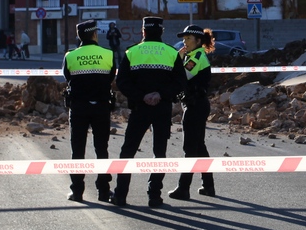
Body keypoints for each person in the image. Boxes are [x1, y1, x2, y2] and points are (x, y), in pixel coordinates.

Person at [113, 16, 184, 208]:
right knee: (159, 152)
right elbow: (180, 81)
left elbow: (122, 82)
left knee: (128, 151)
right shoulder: (171, 52)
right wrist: (160, 94)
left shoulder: (132, 51)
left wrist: (142, 96)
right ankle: (154, 196)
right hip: (162, 108)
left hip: (139, 108)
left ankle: (120, 195)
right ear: (161, 31)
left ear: (143, 32)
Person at [62, 20, 117, 203]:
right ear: (94, 34)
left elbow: (68, 77)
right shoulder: (108, 54)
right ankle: (103, 191)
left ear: (79, 36)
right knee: (102, 149)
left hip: (78, 107)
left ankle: (77, 191)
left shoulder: (70, 56)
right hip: (101, 106)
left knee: (77, 150)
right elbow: (110, 77)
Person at [168, 24, 216, 201]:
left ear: (198, 41)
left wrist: (177, 59)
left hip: (196, 106)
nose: (184, 41)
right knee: (199, 146)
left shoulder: (196, 56)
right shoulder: (191, 55)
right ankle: (208, 185)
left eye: (188, 38)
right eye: (183, 38)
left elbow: (183, 76)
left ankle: (183, 188)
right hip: (194, 104)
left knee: (190, 148)